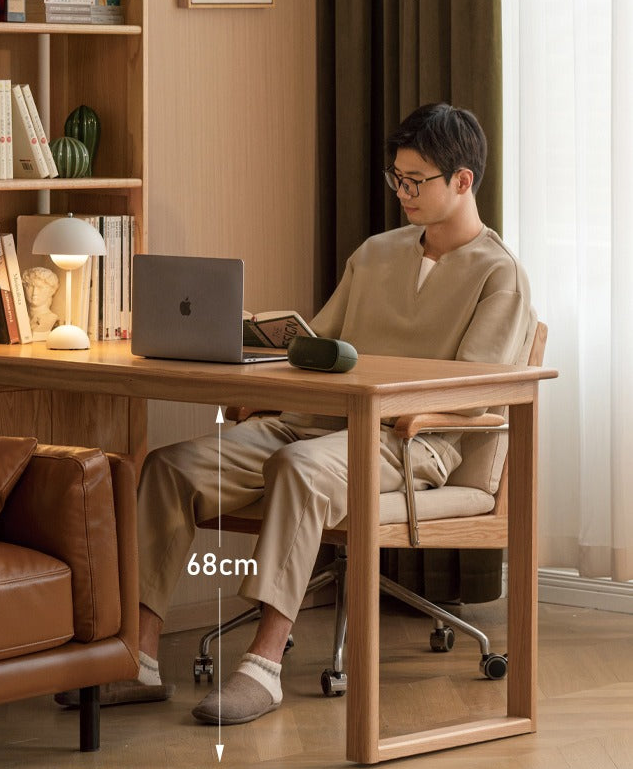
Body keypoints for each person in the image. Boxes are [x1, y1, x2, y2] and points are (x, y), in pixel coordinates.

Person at [60, 103, 534, 725]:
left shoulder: (501, 276)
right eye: (398, 178)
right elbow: (316, 344)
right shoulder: (375, 254)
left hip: (408, 442)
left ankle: (263, 664)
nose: (403, 193)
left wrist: (373, 406)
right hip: (314, 423)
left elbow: (469, 394)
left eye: (416, 181)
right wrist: (252, 352)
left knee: (300, 468)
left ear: (463, 181)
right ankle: (139, 658)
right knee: (171, 468)